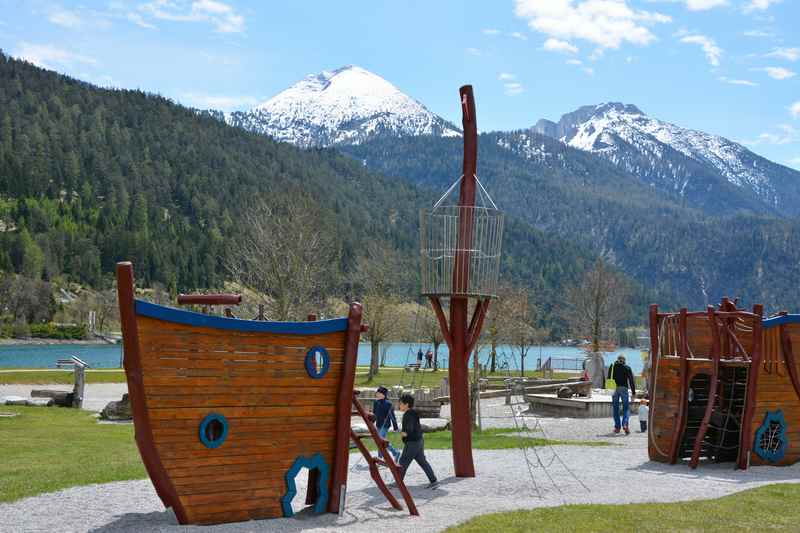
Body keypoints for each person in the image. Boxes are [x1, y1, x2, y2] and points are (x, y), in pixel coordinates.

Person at [398, 393, 438, 489]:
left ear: (406, 404)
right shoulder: (413, 413)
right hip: (419, 440)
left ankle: (398, 482)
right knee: (422, 461)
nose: (399, 405)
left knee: (403, 461)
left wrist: (403, 433)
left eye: (400, 403)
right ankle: (433, 480)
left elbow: (409, 429)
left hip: (412, 442)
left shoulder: (408, 415)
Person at [608, 354, 636, 434]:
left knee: (615, 408)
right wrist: (633, 393)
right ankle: (625, 425)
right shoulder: (627, 368)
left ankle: (617, 427)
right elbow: (631, 381)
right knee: (626, 408)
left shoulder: (612, 366)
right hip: (623, 389)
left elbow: (608, 378)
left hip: (614, 389)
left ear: (617, 359)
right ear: (624, 360)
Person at [372, 386, 400, 461]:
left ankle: (395, 452)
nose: (377, 394)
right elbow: (374, 414)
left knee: (381, 440)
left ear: (383, 394)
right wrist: (371, 423)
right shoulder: (375, 402)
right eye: (377, 393)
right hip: (378, 424)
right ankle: (381, 457)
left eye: (378, 393)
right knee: (379, 441)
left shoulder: (388, 404)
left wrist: (395, 427)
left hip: (385, 425)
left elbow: (392, 416)